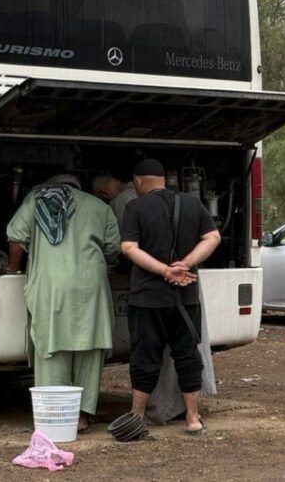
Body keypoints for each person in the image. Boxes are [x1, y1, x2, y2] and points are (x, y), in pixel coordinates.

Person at [6, 174, 121, 433]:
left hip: (50, 286)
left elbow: (15, 237)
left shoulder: (37, 201)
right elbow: (113, 248)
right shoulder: (99, 206)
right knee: (89, 349)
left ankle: (56, 415)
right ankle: (81, 415)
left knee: (52, 347)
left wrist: (12, 268)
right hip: (91, 285)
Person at [120, 159, 221, 434]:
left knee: (144, 356)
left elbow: (129, 248)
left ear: (138, 181)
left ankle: (137, 416)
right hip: (185, 296)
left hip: (147, 298)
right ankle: (192, 418)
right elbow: (213, 237)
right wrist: (185, 264)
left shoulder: (135, 207)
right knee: (187, 354)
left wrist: (165, 270)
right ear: (163, 180)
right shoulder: (191, 203)